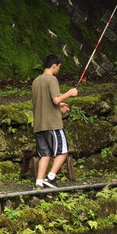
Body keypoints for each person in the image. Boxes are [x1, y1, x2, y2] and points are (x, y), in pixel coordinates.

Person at [31, 53, 78, 188]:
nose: (59, 69)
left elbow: (44, 101)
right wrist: (70, 93)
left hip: (39, 124)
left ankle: (39, 182)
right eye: (59, 66)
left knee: (45, 154)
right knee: (63, 151)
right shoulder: (52, 80)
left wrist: (60, 105)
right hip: (52, 124)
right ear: (54, 66)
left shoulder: (36, 81)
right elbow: (55, 99)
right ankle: (51, 177)